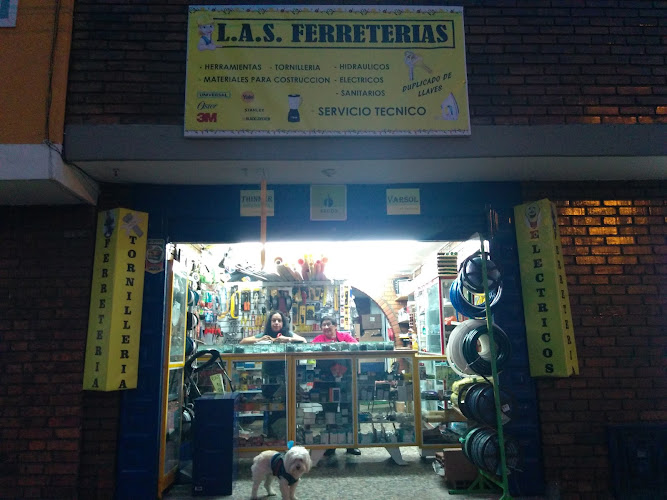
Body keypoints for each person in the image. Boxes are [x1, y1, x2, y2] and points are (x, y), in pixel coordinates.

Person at [311, 316, 361, 456]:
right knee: (329, 412)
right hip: (326, 381)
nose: (326, 327)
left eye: (329, 324)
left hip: (345, 380)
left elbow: (356, 346)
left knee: (348, 410)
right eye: (323, 325)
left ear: (335, 326)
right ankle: (331, 444)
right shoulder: (319, 339)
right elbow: (310, 349)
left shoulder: (345, 337)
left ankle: (351, 444)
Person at [240, 311, 307, 344]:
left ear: (283, 323)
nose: (276, 323)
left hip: (286, 366)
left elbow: (304, 341)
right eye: (274, 320)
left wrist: (288, 339)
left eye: (279, 321)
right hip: (267, 367)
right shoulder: (265, 336)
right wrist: (260, 340)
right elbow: (243, 342)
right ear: (270, 323)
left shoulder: (288, 334)